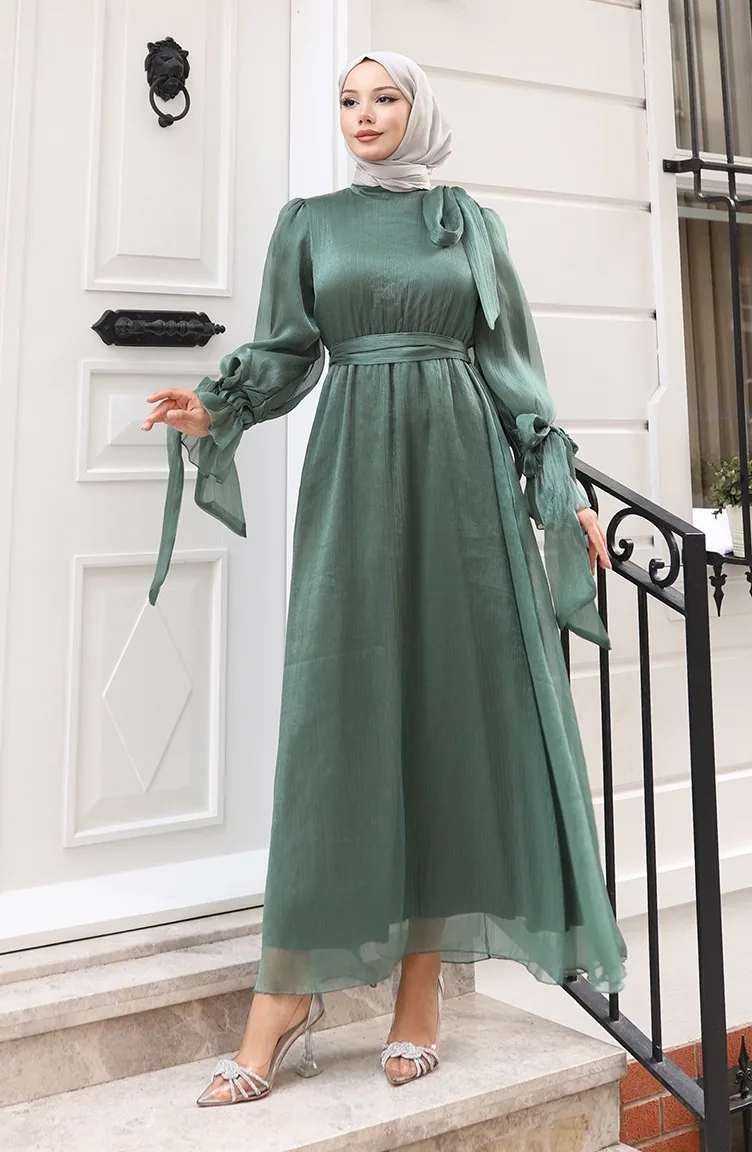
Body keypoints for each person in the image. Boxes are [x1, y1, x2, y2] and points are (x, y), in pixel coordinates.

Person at [143, 51, 627, 1107]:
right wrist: (217, 407)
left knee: (443, 717)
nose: (363, 115)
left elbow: (511, 366)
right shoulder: (310, 224)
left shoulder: (469, 224)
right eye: (349, 101)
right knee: (338, 717)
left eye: (384, 98)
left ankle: (419, 994)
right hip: (356, 472)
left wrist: (561, 489)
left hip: (461, 485)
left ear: (418, 111)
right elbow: (285, 351)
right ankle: (282, 998)